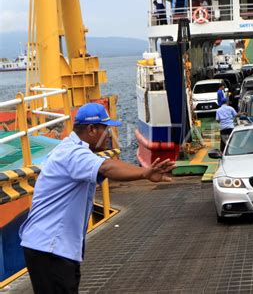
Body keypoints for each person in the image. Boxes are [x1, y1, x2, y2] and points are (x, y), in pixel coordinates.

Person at [19, 103, 175, 294]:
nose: (109, 135)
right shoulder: (73, 154)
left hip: (54, 248)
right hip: (51, 248)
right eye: (105, 129)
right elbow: (106, 167)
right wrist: (145, 173)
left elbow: (104, 165)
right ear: (91, 129)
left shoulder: (72, 149)